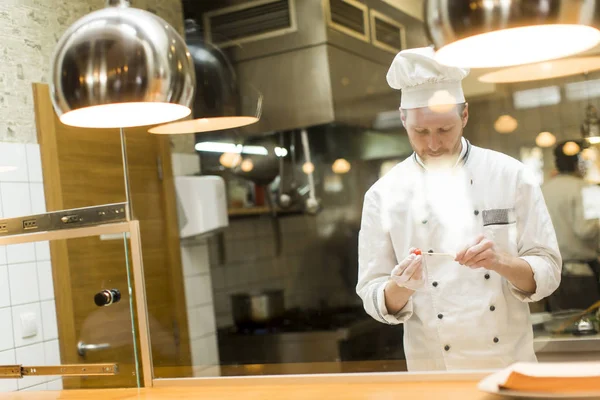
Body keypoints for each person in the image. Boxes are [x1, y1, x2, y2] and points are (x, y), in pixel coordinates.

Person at [356, 47, 562, 371]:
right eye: (420, 132)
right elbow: (372, 294)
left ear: (464, 115)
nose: (434, 144)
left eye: (444, 130)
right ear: (402, 119)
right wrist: (402, 286)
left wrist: (500, 262)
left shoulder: (511, 176)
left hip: (510, 369)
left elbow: (548, 270)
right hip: (436, 377)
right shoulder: (382, 195)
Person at [541, 141, 600, 311]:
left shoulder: (543, 189)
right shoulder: (585, 188)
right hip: (580, 275)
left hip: (550, 274)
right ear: (579, 163)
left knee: (562, 330)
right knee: (588, 331)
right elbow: (586, 229)